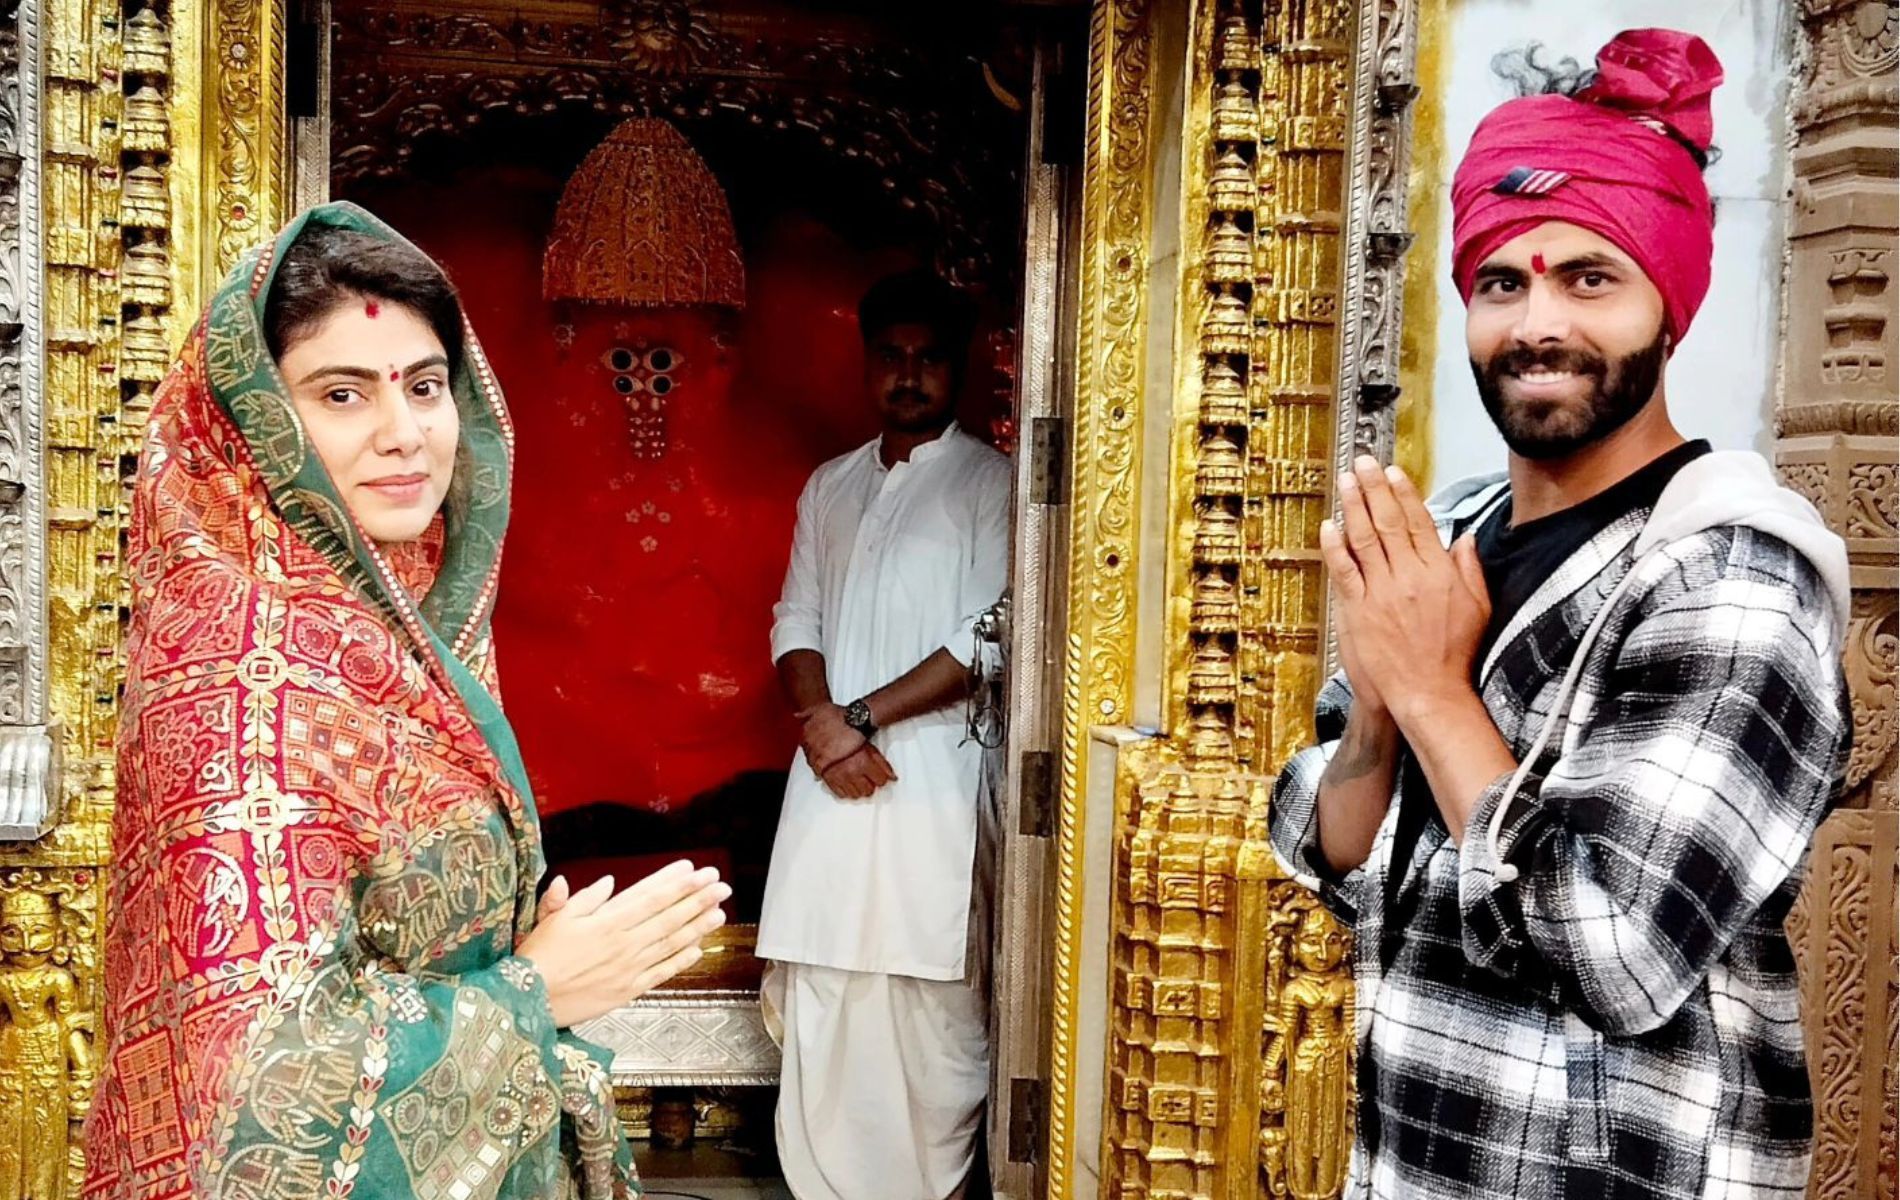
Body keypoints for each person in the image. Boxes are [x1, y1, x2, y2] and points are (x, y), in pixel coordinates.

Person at [1269, 29, 1852, 1199]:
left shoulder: (1731, 573)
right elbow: (1329, 852)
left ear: (1668, 304)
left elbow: (1620, 954)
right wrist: (1380, 719)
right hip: (1418, 1161)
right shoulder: (1457, 529)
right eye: (1501, 280)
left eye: (1589, 276)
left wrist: (1431, 688)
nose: (1538, 323)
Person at [83, 202, 729, 1199]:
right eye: (341, 394)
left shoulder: (391, 639)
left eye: (426, 387)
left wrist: (511, 944)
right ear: (253, 425)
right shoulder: (239, 681)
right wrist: (534, 992)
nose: (404, 434)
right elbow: (253, 1090)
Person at [757, 269, 1010, 1200]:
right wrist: (823, 727)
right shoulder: (831, 486)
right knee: (826, 979)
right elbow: (796, 617)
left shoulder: (994, 482)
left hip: (931, 784)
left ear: (958, 369)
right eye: (892, 357)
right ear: (870, 367)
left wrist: (858, 720)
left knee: (927, 995)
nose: (908, 375)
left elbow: (990, 633)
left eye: (928, 358)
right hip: (828, 778)